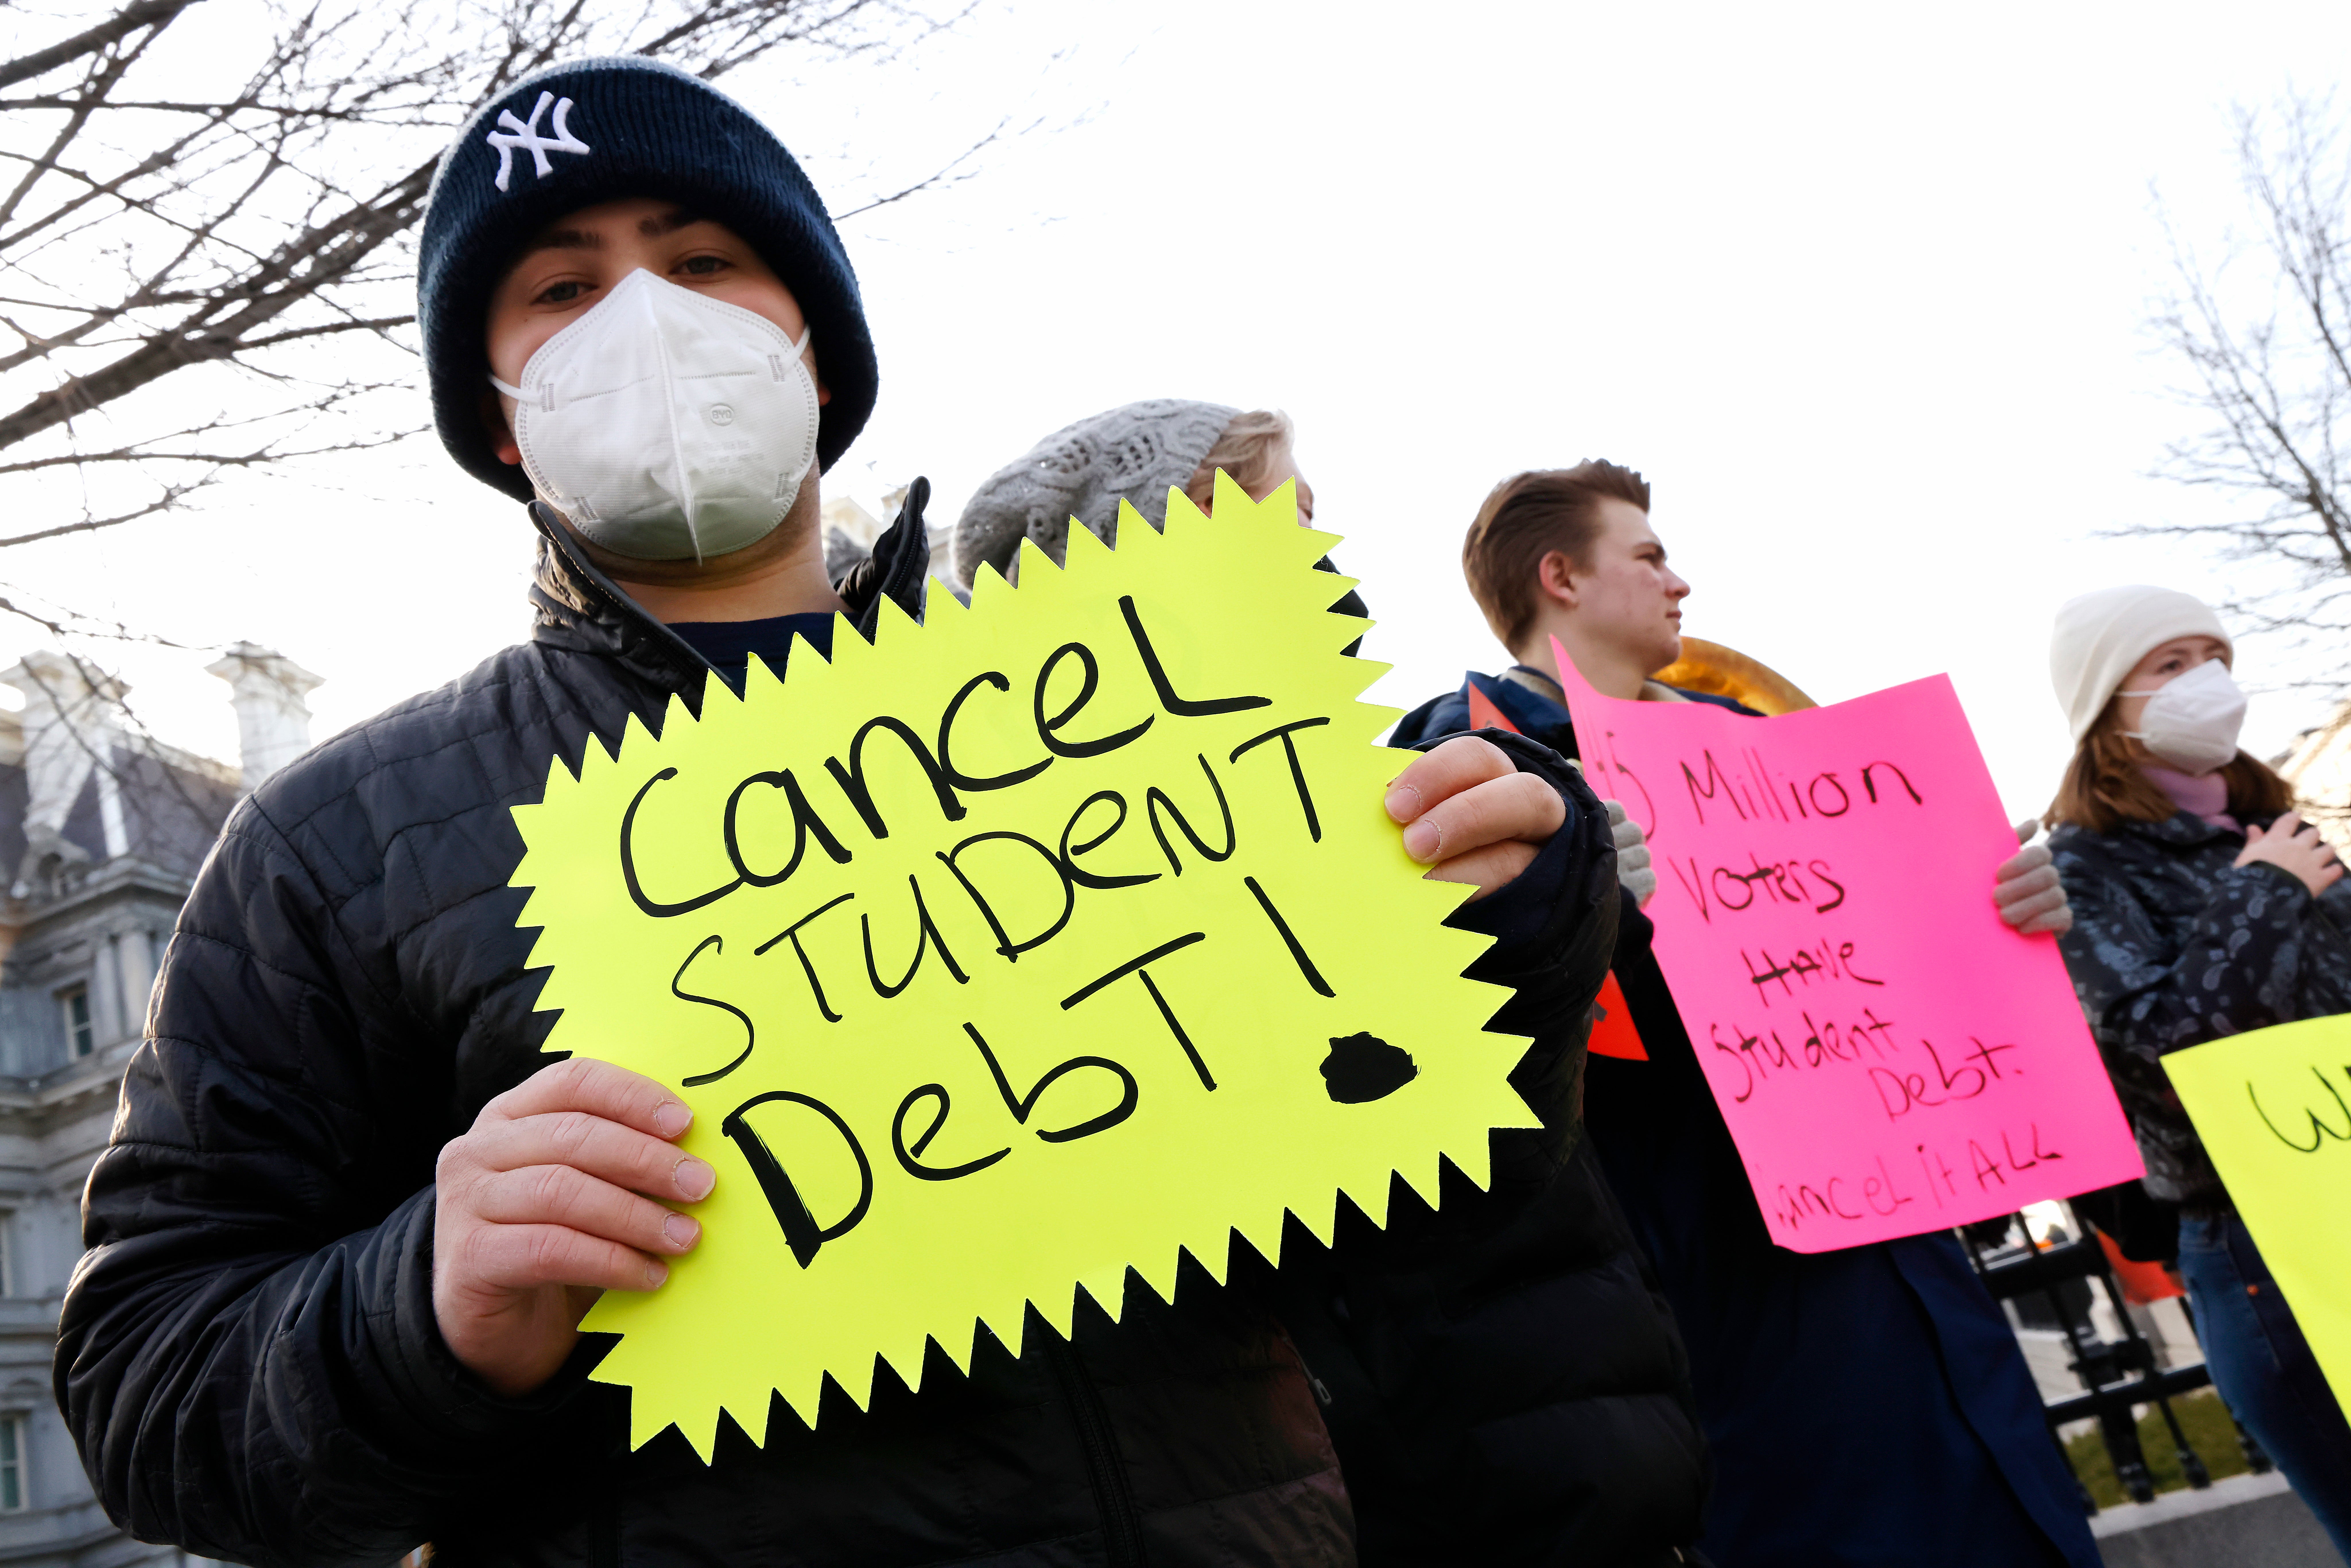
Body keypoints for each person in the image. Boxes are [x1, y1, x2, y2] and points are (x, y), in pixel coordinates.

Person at [51, 61, 1616, 1568]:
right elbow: (148, 1395)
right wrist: (427, 1301)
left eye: (705, 257)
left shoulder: (1143, 705)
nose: (645, 320)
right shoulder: (330, 842)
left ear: (816, 348)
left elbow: (1422, 1255)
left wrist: (1502, 954)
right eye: (562, 288)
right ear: (503, 411)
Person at [957, 413, 1714, 1564]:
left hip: (1581, 1473)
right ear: (1149, 557)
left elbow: (1541, 1115)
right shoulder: (1048, 905)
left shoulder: (1420, 796)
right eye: (1282, 520)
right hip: (1395, 1495)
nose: (1325, 554)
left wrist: (1565, 895)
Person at [1392, 462, 2103, 1568]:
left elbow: (1902, 964)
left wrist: (2006, 912)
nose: (1681, 583)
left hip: (1912, 1255)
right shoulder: (1467, 760)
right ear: (1562, 576)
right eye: (1649, 555)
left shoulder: (1771, 745)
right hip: (1713, 1285)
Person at [2046, 584, 2351, 1559]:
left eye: (2213, 658)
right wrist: (2265, 892)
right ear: (2109, 705)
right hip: (2261, 1244)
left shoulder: (2278, 829)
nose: (2207, 684)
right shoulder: (2086, 865)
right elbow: (2161, 1050)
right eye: (2171, 667)